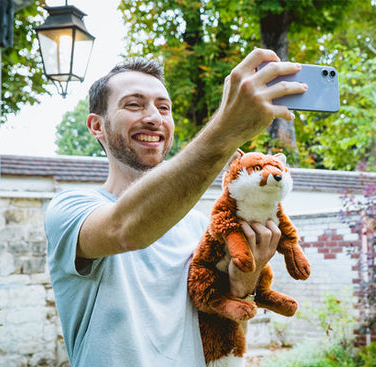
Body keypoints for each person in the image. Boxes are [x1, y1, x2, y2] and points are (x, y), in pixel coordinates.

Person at [44, 48, 308, 366]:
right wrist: (228, 127)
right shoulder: (71, 210)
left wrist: (245, 282)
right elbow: (127, 229)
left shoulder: (201, 227)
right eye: (134, 104)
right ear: (97, 126)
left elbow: (227, 330)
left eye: (163, 107)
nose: (154, 117)